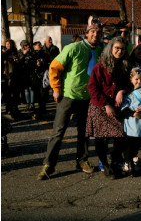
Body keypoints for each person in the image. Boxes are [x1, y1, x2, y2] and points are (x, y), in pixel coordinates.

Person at [38, 17, 104, 180]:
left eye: (99, 32)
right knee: (58, 131)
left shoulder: (101, 50)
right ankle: (49, 164)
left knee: (84, 132)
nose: (96, 35)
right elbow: (54, 67)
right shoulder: (73, 48)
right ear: (87, 33)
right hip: (68, 96)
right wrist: (56, 89)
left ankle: (82, 160)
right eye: (93, 32)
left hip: (88, 98)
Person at [86, 37, 131, 179]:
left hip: (116, 105)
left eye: (122, 49)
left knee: (121, 136)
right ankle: (105, 166)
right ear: (111, 48)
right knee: (101, 137)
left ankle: (114, 163)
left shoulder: (125, 65)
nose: (119, 51)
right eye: (117, 48)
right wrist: (106, 104)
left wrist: (121, 91)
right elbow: (92, 88)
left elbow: (130, 83)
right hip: (100, 105)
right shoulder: (100, 66)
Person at [119, 67, 141, 176]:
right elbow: (123, 109)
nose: (139, 81)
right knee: (131, 146)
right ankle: (130, 164)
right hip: (132, 125)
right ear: (131, 80)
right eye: (136, 79)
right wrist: (133, 113)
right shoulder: (127, 94)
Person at [31, 41, 50, 119]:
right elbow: (30, 64)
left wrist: (42, 63)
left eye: (40, 45)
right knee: (37, 94)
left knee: (43, 93)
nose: (40, 46)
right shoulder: (32, 54)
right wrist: (35, 65)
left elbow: (48, 63)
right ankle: (36, 110)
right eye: (38, 45)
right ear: (34, 46)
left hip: (43, 77)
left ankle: (42, 109)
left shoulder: (45, 54)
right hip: (35, 77)